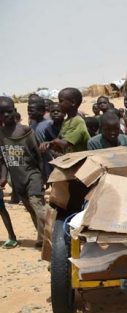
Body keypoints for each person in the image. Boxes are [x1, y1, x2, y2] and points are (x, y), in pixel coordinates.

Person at [0, 97, 46, 248]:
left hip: (32, 174)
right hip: (17, 178)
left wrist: (43, 177)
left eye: (9, 111)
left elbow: (38, 155)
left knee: (37, 205)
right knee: (30, 208)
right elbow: (3, 159)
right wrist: (3, 177)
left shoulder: (26, 131)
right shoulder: (1, 135)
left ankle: (52, 239)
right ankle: (42, 239)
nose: (6, 115)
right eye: (2, 113)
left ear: (14, 111)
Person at [39, 88, 89, 156]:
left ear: (73, 102)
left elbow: (65, 143)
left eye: (61, 101)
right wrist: (49, 144)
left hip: (81, 159)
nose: (59, 104)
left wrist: (53, 142)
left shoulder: (78, 121)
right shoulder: (66, 121)